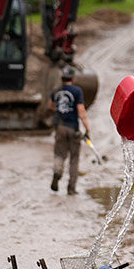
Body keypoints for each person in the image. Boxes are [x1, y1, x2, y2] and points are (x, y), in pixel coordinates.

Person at [49, 66, 91, 195]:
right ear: (73, 78)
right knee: (74, 158)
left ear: (62, 77)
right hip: (73, 128)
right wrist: (87, 128)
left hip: (60, 128)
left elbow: (51, 107)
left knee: (59, 154)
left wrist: (61, 110)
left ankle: (57, 172)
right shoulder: (77, 91)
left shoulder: (56, 91)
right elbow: (81, 111)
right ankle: (71, 188)